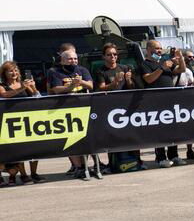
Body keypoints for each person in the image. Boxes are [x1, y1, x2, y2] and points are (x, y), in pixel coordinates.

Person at [48, 48, 96, 179]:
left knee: (86, 138)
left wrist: (81, 82)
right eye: (70, 59)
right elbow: (56, 89)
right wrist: (71, 87)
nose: (73, 61)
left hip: (83, 108)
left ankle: (90, 165)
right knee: (70, 141)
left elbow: (91, 86)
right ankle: (79, 167)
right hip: (65, 111)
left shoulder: (82, 70)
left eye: (75, 58)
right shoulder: (54, 72)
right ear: (62, 60)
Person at [139, 40, 186, 167]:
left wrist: (180, 57)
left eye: (160, 48)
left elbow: (182, 69)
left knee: (173, 129)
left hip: (170, 101)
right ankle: (160, 157)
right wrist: (162, 68)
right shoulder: (145, 64)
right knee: (159, 130)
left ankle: (174, 155)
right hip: (155, 102)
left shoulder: (163, 62)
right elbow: (149, 79)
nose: (159, 50)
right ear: (149, 50)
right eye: (156, 48)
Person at [95, 44, 142, 171]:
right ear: (104, 56)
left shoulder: (124, 67)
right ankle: (113, 164)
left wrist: (128, 81)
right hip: (110, 108)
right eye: (109, 54)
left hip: (127, 107)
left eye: (115, 54)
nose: (113, 57)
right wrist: (114, 82)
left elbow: (131, 88)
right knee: (113, 137)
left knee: (132, 135)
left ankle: (137, 161)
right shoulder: (101, 70)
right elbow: (101, 88)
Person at [0, 61, 44, 184]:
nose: (14, 73)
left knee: (34, 148)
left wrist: (33, 86)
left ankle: (34, 173)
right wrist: (22, 88)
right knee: (20, 150)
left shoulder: (23, 83)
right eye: (10, 70)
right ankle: (24, 175)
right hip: (12, 123)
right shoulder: (2, 85)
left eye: (15, 70)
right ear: (4, 73)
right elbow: (4, 95)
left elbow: (37, 96)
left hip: (29, 121)